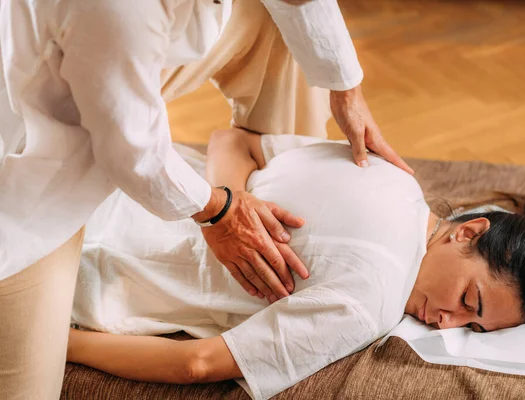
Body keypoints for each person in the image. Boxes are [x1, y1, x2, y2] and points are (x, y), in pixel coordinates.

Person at [0, 0, 414, 397]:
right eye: (470, 299)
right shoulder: (116, 9)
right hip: (29, 158)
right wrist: (219, 212)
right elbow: (132, 150)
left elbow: (296, 9)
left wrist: (345, 87)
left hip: (98, 65)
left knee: (278, 19)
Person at [66, 129, 525, 400]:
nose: (446, 323)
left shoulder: (389, 173)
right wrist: (53, 341)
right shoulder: (373, 305)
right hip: (76, 268)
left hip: (91, 167)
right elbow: (197, 365)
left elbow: (234, 140)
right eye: (466, 302)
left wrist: (225, 205)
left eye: (472, 326)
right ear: (469, 231)